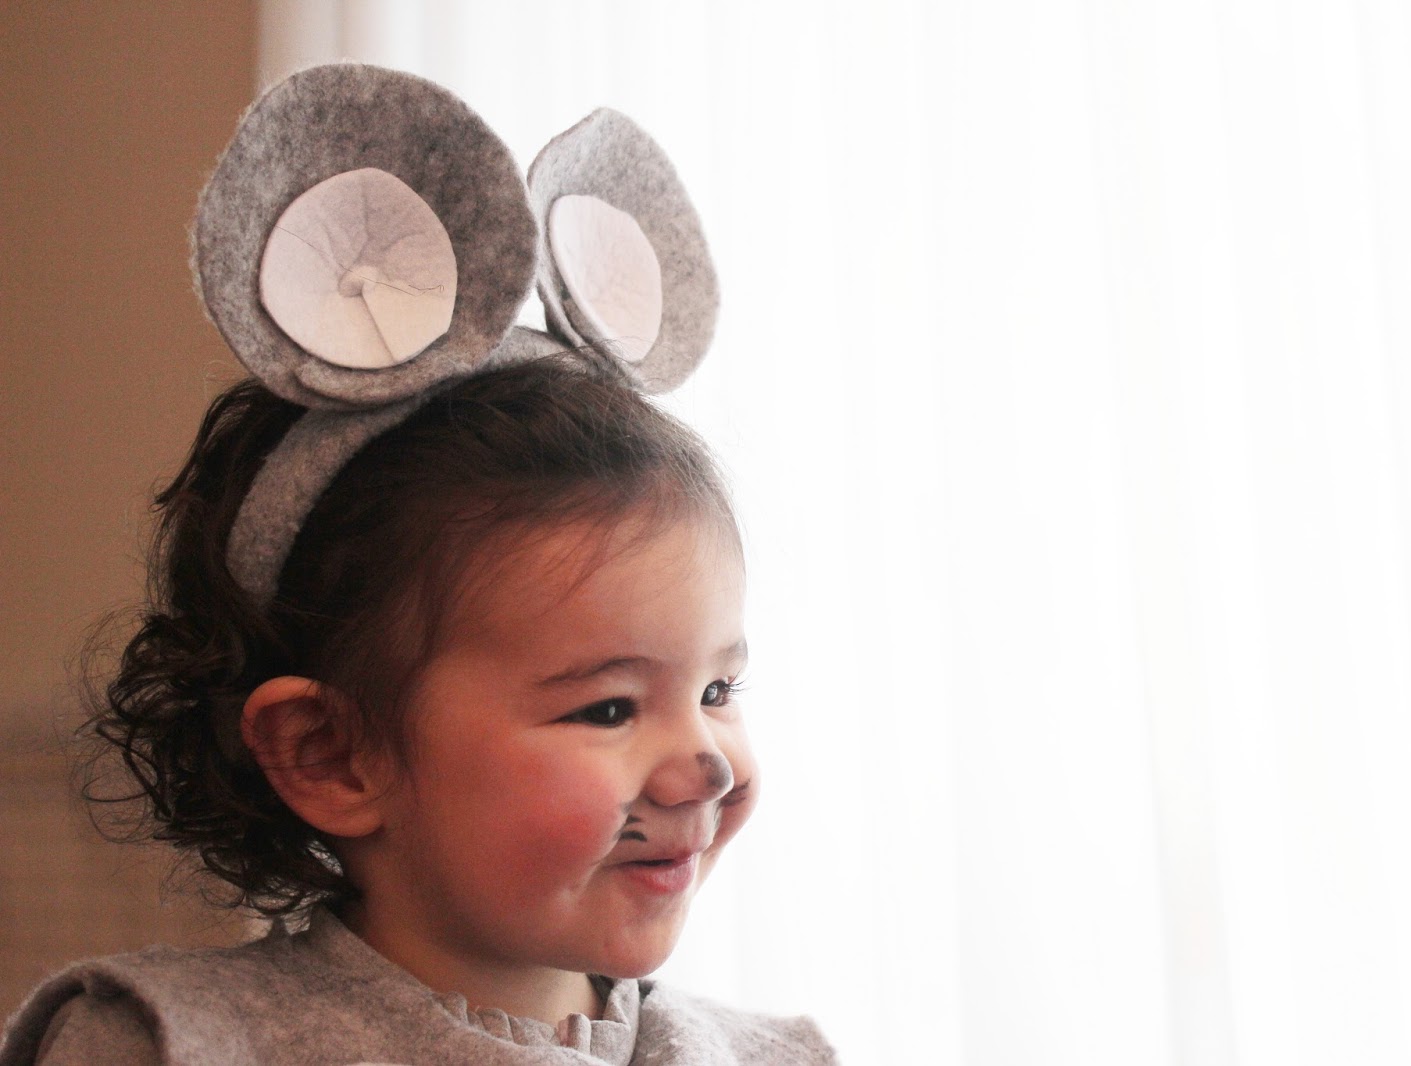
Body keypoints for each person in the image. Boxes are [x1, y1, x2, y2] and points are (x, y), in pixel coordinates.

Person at [0, 63, 835, 1066]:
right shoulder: (162, 1042)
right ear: (331, 753)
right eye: (609, 707)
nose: (706, 763)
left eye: (716, 690)